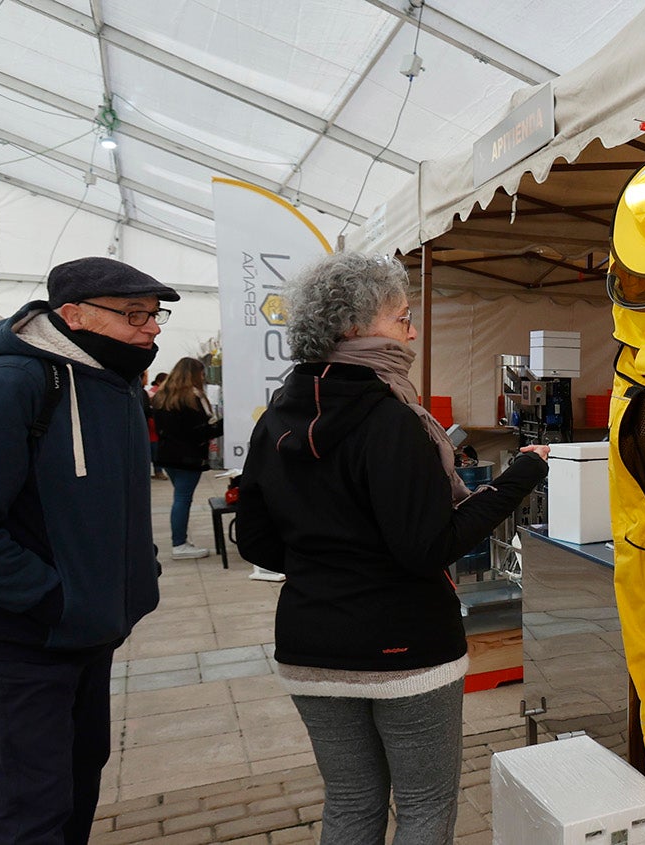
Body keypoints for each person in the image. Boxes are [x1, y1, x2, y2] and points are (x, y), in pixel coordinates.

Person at [235, 251, 549, 845]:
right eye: (402, 318)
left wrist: (326, 564)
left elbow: (255, 539)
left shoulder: (275, 416)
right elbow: (427, 547)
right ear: (353, 329)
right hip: (405, 649)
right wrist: (519, 478)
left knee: (351, 805)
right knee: (425, 808)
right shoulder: (390, 420)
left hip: (308, 643)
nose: (412, 330)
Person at [0, 256, 176, 844]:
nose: (152, 328)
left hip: (91, 627)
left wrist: (135, 578)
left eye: (154, 314)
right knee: (27, 806)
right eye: (133, 314)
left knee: (76, 780)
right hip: (26, 638)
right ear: (73, 315)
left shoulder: (115, 383)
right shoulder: (17, 382)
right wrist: (52, 598)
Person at [152, 357, 221, 560]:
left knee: (180, 498)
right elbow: (200, 432)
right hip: (188, 457)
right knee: (182, 499)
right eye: (201, 373)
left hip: (168, 456)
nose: (203, 377)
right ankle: (179, 544)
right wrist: (225, 425)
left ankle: (180, 542)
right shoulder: (192, 398)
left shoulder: (163, 396)